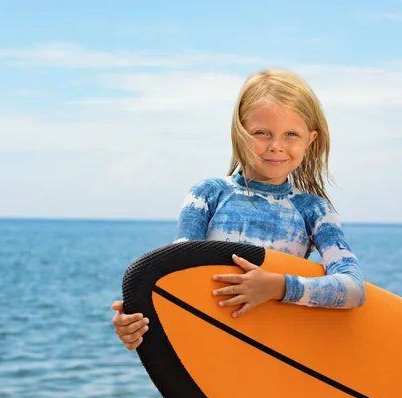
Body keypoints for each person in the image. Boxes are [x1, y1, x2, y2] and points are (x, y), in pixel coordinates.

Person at [111, 68, 366, 351]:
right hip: (209, 349)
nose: (276, 146)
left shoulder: (313, 210)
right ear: (240, 132)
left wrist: (278, 286)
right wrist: (137, 316)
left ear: (311, 139)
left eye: (291, 134)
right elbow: (179, 274)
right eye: (261, 133)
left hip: (274, 355)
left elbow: (353, 288)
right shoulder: (208, 195)